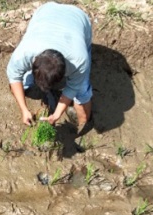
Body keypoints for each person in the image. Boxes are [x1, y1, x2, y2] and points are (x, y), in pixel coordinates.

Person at [7, 2, 93, 133]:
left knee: (82, 93)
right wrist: (24, 110)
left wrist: (57, 114)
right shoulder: (24, 53)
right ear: (34, 63)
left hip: (78, 18)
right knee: (20, 85)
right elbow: (14, 77)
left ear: (64, 73)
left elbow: (72, 87)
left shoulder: (79, 60)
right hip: (46, 12)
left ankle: (83, 126)